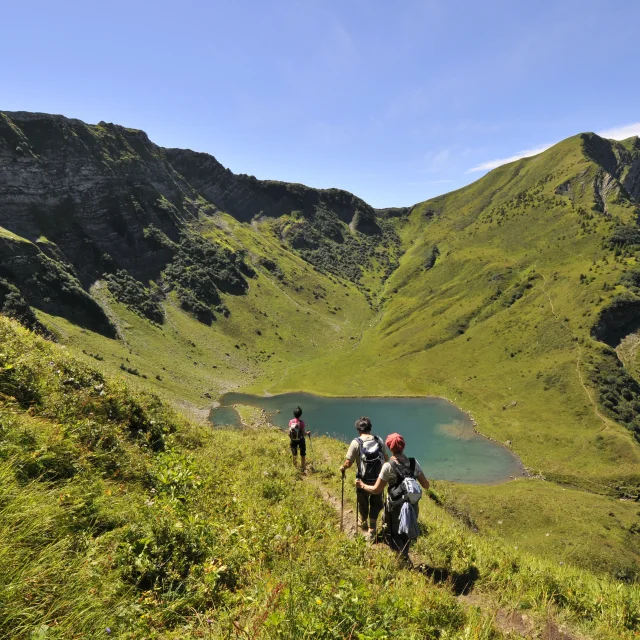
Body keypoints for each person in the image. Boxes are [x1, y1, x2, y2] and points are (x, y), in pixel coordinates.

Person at [356, 433, 429, 558]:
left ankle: (399, 559)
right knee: (407, 531)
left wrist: (361, 485)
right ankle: (405, 553)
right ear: (403, 446)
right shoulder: (413, 463)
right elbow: (426, 485)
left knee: (393, 533)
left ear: (389, 447)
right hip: (412, 506)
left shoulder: (388, 467)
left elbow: (376, 490)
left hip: (394, 508)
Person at [339, 416, 389, 541]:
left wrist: (343, 468)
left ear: (358, 429)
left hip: (362, 479)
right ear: (370, 428)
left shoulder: (356, 442)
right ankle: (372, 528)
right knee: (376, 502)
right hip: (378, 479)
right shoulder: (379, 440)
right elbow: (386, 458)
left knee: (363, 501)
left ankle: (363, 521)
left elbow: (348, 462)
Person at [288, 406, 311, 472]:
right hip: (301, 440)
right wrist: (308, 433)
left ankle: (295, 467)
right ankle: (303, 467)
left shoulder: (290, 421)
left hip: (293, 440)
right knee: (302, 453)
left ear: (294, 414)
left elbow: (290, 431)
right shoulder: (302, 423)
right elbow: (303, 433)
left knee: (294, 453)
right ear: (300, 414)